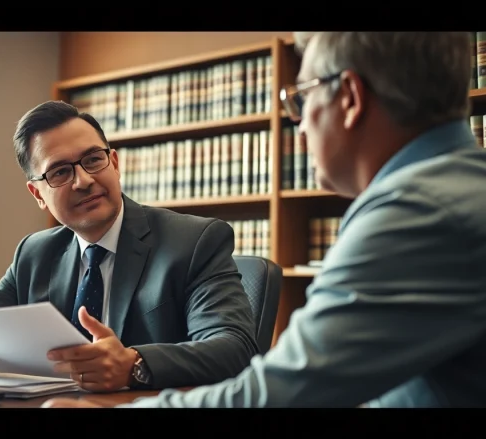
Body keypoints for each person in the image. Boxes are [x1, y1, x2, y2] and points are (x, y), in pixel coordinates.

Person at [43, 31, 486, 408]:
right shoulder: (456, 188)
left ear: (350, 97)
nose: (300, 126)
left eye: (303, 97)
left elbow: (284, 392)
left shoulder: (419, 213)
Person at [0, 100, 260, 392]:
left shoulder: (194, 241)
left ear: (114, 164)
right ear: (38, 195)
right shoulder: (34, 253)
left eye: (93, 160)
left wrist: (134, 365)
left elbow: (234, 347)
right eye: (60, 172)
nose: (84, 180)